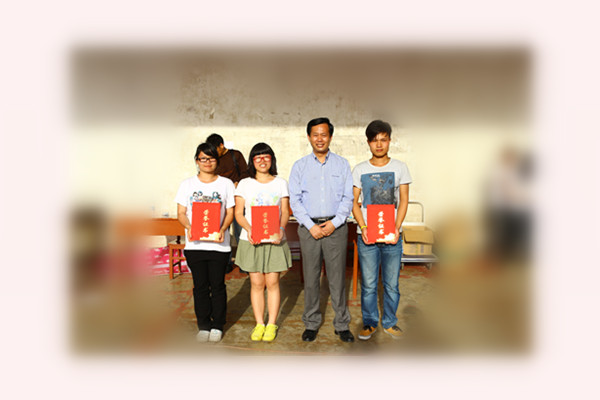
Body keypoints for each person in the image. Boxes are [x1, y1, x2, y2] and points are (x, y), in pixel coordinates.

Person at [289, 117, 355, 343]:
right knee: (311, 278)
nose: (320, 139)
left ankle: (342, 324)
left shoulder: (342, 164)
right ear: (309, 137)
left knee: (337, 279)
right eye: (315, 134)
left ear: (330, 137)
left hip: (336, 228)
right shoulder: (300, 166)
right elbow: (295, 200)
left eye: (324, 134)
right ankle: (311, 322)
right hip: (310, 230)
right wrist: (311, 226)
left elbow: (348, 197)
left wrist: (335, 223)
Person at [351, 120, 411, 340]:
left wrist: (396, 228)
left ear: (389, 141)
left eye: (383, 140)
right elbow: (353, 202)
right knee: (368, 284)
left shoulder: (400, 168)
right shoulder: (360, 170)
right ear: (368, 142)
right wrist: (363, 227)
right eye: (374, 140)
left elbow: (403, 200)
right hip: (367, 236)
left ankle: (390, 322)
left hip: (392, 237)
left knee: (391, 284)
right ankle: (369, 323)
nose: (379, 144)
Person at [175, 142, 235, 342]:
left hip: (219, 246)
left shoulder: (226, 184)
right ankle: (203, 325)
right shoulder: (187, 185)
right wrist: (190, 227)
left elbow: (230, 212)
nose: (207, 162)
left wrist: (222, 229)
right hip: (195, 246)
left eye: (211, 158)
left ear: (217, 161)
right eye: (203, 158)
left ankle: (217, 324)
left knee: (217, 286)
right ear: (197, 161)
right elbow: (181, 213)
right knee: (200, 287)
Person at [234, 143, 292, 342]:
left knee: (273, 282)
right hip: (252, 240)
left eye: (266, 156)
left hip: (275, 239)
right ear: (252, 161)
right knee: (257, 283)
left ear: (272, 159)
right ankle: (259, 323)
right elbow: (238, 213)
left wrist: (281, 229)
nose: (262, 160)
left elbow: (285, 211)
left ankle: (272, 323)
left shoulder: (281, 183)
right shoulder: (244, 184)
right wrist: (250, 229)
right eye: (257, 157)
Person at [206, 133, 250, 272]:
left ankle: (244, 264)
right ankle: (225, 263)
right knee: (222, 232)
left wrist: (238, 183)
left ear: (221, 145)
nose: (213, 153)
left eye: (215, 149)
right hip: (219, 202)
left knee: (240, 232)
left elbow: (246, 173)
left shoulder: (235, 155)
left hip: (237, 201)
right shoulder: (213, 160)